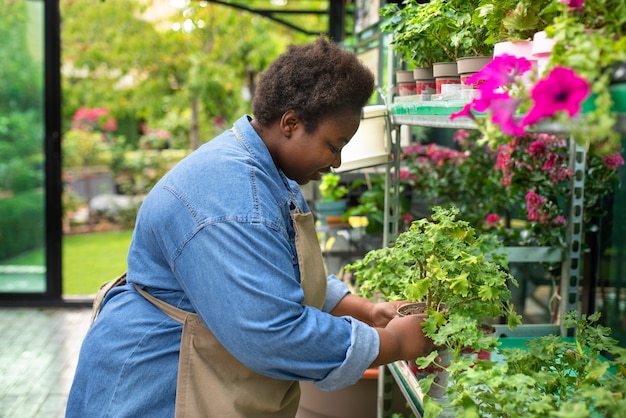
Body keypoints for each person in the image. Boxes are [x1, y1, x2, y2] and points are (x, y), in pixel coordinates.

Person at [66, 37, 433, 418]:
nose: (337, 162)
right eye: (333, 145)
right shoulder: (235, 200)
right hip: (154, 392)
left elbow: (280, 272)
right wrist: (392, 343)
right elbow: (275, 334)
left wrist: (366, 311)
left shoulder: (272, 171)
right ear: (290, 123)